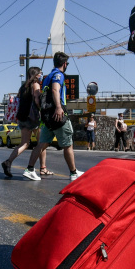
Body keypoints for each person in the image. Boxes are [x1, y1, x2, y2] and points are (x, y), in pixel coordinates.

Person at [23, 52, 83, 181]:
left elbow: (39, 99)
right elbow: (56, 90)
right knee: (68, 144)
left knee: (42, 144)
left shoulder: (47, 77)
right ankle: (73, 173)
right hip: (57, 116)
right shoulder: (58, 75)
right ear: (65, 64)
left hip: (47, 117)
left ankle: (29, 169)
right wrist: (58, 107)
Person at [2, 67, 48, 177]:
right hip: (33, 118)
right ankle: (41, 168)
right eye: (40, 73)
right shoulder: (35, 85)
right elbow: (37, 100)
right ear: (36, 75)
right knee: (41, 142)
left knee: (24, 143)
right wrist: (42, 107)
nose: (41, 75)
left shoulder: (23, 87)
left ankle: (8, 162)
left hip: (22, 117)